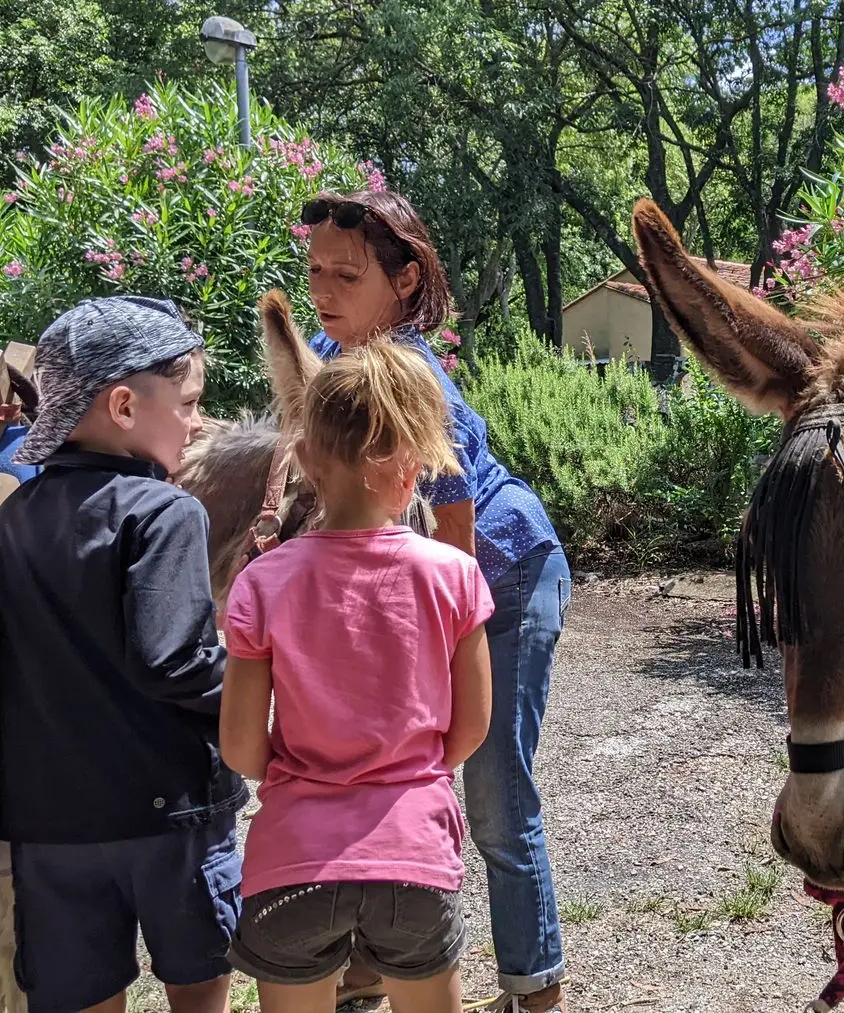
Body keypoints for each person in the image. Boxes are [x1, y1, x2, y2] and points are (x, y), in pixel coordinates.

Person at [300, 190, 572, 1013]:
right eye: (315, 270)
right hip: (437, 577)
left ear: (406, 280)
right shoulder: (328, 352)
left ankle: (534, 988)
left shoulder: (412, 377)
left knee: (494, 797)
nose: (324, 290)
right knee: (390, 783)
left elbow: (454, 525)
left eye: (348, 275)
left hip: (506, 572)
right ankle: (370, 970)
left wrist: (432, 655)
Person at [220, 342, 494, 1013]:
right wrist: (410, 771)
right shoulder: (454, 576)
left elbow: (242, 749)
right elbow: (470, 729)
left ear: (305, 458)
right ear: (414, 467)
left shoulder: (262, 582)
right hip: (414, 853)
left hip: (293, 859)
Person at [0, 296, 243, 1013]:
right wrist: (256, 680)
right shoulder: (166, 511)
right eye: (188, 403)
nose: (197, 422)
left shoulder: (16, 514)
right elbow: (175, 661)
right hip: (172, 815)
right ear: (125, 406)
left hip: (51, 821)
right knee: (199, 986)